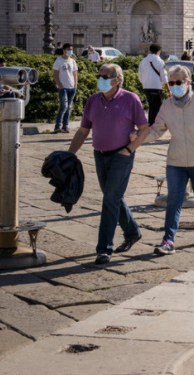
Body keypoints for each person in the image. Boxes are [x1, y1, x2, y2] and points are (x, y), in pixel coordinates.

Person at [68, 64, 149, 265]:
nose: (101, 79)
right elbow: (82, 131)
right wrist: (69, 155)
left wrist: (129, 149)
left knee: (110, 200)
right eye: (100, 75)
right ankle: (132, 233)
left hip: (121, 156)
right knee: (113, 198)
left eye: (105, 76)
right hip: (100, 155)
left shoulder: (130, 99)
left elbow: (145, 129)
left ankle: (104, 249)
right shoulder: (92, 101)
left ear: (117, 80)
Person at [140, 65, 194, 255]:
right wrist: (139, 136)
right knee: (173, 201)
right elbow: (157, 129)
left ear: (188, 83)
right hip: (175, 161)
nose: (174, 86)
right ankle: (168, 240)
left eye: (178, 82)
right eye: (171, 83)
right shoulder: (167, 105)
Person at [138, 43, 167, 126]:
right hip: (156, 87)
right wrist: (168, 88)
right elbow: (164, 76)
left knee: (151, 106)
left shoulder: (143, 61)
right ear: (158, 51)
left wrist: (144, 83)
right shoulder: (160, 61)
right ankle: (155, 124)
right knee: (158, 106)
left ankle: (150, 122)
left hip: (146, 87)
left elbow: (140, 76)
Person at [52, 43, 78, 134]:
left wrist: (75, 85)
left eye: (71, 49)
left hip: (72, 87)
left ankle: (65, 126)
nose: (70, 51)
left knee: (69, 107)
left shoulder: (72, 61)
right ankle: (57, 126)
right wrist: (60, 85)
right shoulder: (58, 61)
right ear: (64, 50)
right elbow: (55, 74)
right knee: (64, 106)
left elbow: (75, 74)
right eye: (68, 49)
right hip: (63, 88)